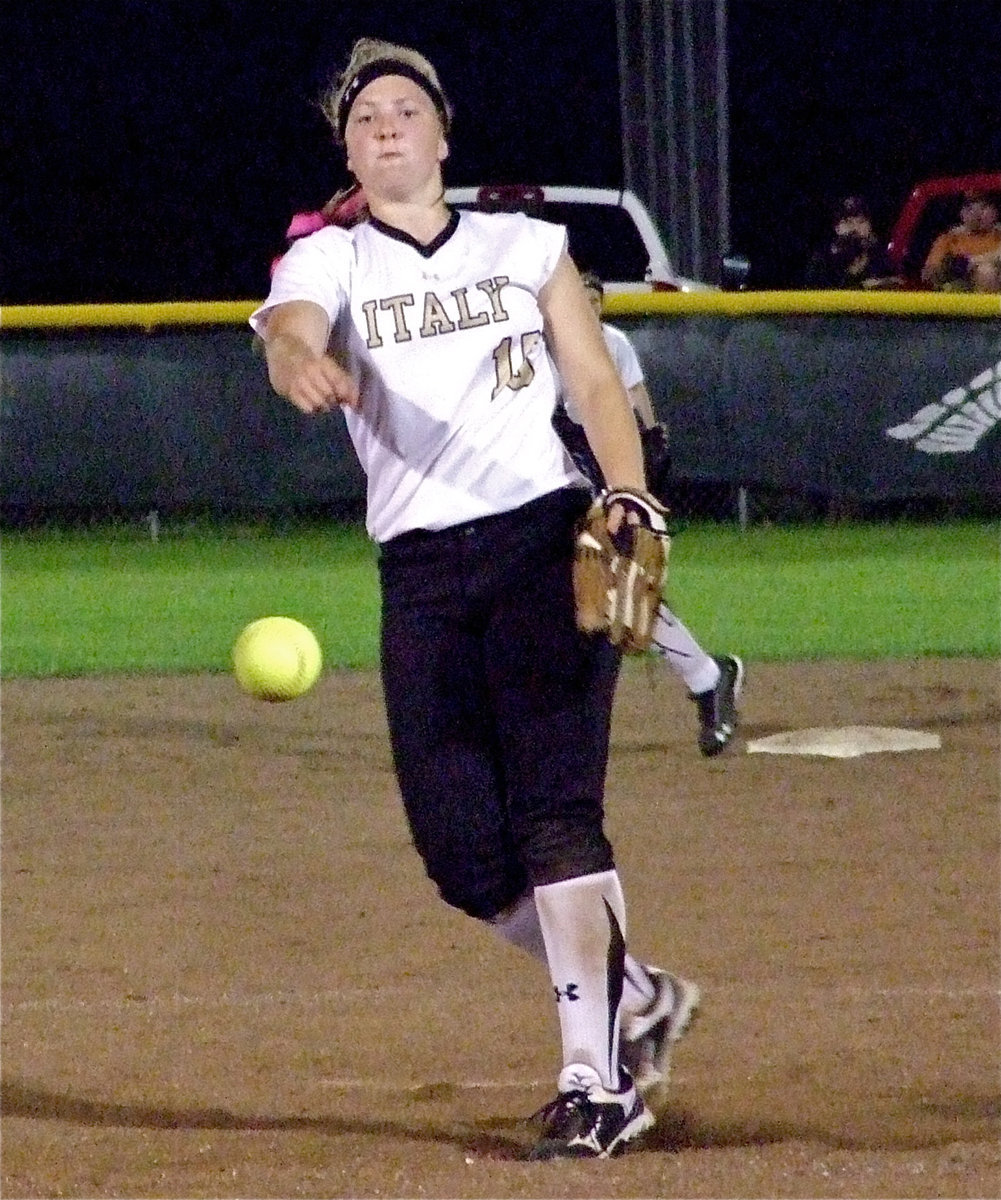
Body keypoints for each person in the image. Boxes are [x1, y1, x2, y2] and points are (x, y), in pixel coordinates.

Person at [250, 37, 700, 1160]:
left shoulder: (524, 243)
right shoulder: (331, 260)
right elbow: (286, 326)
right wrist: (296, 358)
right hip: (421, 575)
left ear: (443, 136)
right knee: (459, 852)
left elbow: (592, 380)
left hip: (542, 542)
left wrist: (630, 496)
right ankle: (633, 992)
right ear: (351, 154)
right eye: (366, 119)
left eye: (406, 110)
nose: (387, 125)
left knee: (556, 812)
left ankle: (598, 1080)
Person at [554, 270, 744, 756]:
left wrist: (639, 462)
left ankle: (707, 677)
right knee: (572, 595)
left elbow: (625, 406)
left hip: (589, 475)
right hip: (546, 478)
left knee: (616, 587)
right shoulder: (534, 342)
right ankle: (707, 676)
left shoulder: (605, 343)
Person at [804, 195, 900, 289]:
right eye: (848, 222)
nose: (855, 228)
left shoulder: (879, 255)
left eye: (861, 221)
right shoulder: (823, 258)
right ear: (837, 228)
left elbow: (899, 280)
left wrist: (883, 283)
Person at [921, 190, 1001, 292]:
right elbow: (930, 273)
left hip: (994, 291)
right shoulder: (950, 238)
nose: (977, 214)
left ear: (995, 212)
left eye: (984, 207)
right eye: (970, 207)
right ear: (962, 213)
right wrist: (948, 266)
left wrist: (975, 262)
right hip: (960, 291)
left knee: (986, 272)